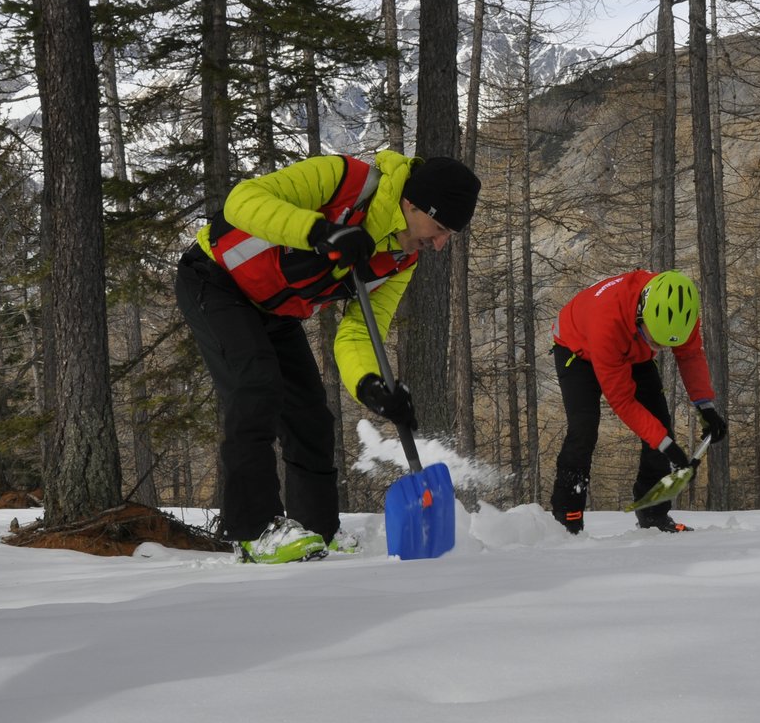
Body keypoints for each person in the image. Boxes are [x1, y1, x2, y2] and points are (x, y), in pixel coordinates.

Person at [175, 150, 480, 563]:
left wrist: (371, 386)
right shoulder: (346, 180)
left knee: (311, 415)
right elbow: (242, 201)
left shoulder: (400, 258)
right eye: (440, 228)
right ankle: (254, 529)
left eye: (449, 236)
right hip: (216, 280)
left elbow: (359, 332)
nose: (440, 244)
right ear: (412, 203)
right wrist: (318, 231)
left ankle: (317, 528)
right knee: (255, 388)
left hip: (276, 310)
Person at [549, 269, 728, 534]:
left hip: (631, 349)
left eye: (663, 345)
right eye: (654, 339)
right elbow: (622, 401)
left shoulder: (681, 312)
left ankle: (653, 516)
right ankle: (567, 517)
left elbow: (689, 356)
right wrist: (666, 445)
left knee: (660, 426)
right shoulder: (606, 321)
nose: (658, 348)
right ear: (641, 312)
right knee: (583, 430)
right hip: (578, 350)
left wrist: (706, 406)